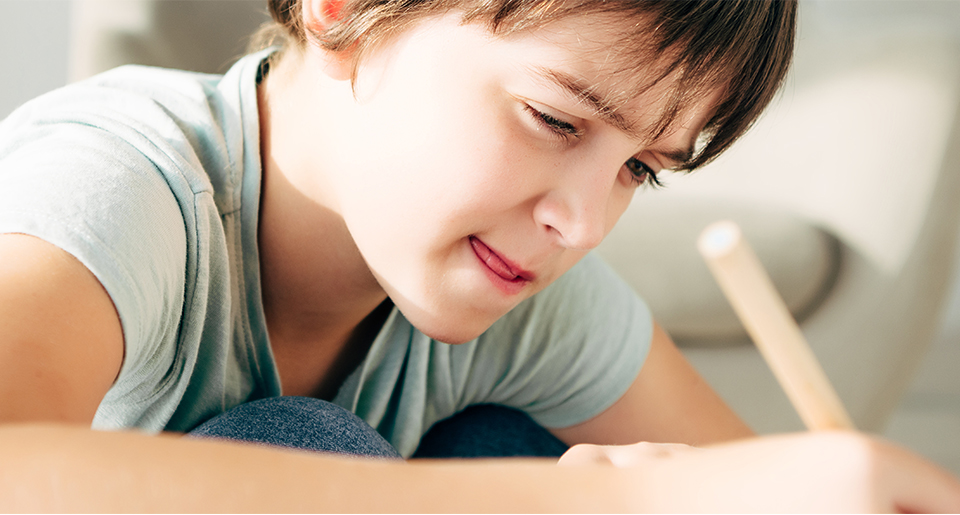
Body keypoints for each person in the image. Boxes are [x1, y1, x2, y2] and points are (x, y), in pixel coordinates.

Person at [0, 0, 957, 511]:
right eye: (554, 119)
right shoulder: (117, 185)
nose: (583, 224)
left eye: (639, 170)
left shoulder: (520, 282)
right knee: (305, 446)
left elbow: (765, 484)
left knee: (506, 446)